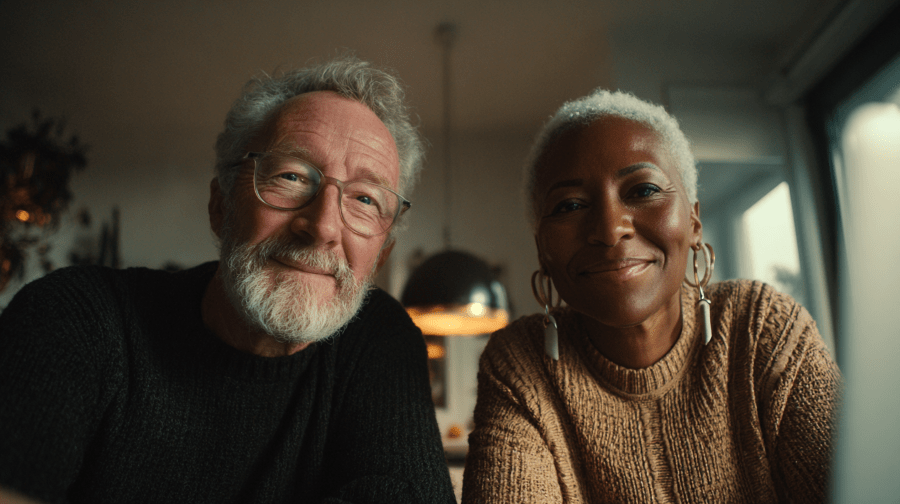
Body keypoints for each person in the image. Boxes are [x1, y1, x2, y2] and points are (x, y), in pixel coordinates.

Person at [0, 56, 456, 504]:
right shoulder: (75, 315)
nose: (323, 226)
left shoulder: (381, 339)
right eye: (292, 176)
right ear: (222, 206)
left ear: (381, 256)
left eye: (365, 199)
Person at [462, 89, 841, 503]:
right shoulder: (519, 364)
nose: (609, 230)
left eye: (642, 191)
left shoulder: (764, 328)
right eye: (570, 205)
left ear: (694, 222)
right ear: (542, 250)